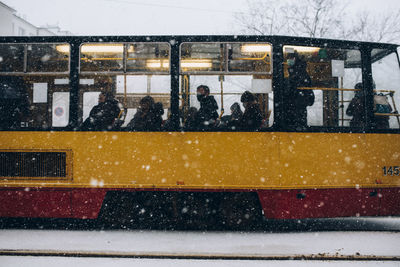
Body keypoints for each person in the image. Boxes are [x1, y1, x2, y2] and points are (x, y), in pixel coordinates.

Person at [283, 53, 315, 129]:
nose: (288, 61)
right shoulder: (298, 70)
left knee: (296, 124)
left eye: (290, 59)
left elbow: (294, 87)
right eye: (288, 59)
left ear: (295, 59)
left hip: (297, 104)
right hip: (298, 104)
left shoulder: (298, 72)